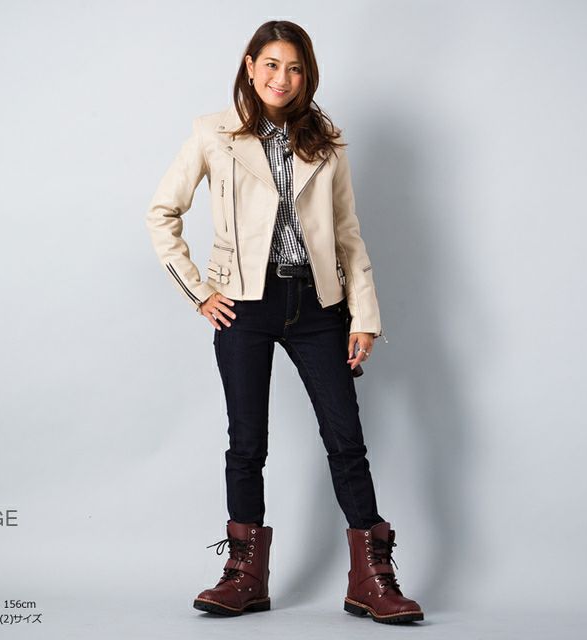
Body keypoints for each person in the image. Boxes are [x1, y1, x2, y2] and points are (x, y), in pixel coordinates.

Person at [145, 20, 424, 625]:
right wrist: (200, 293)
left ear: (307, 76)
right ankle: (245, 576)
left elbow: (347, 234)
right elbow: (162, 213)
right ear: (250, 67)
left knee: (346, 441)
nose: (282, 77)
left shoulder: (327, 141)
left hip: (318, 305)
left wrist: (364, 316)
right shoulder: (212, 133)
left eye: (295, 68)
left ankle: (371, 580)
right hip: (243, 305)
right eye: (271, 64)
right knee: (247, 444)